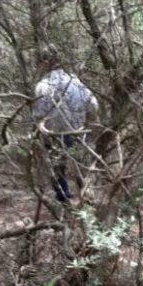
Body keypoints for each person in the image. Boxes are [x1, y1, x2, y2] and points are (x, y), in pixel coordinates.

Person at [32, 48, 99, 203]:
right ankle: (87, 198)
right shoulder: (76, 83)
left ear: (44, 63)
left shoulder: (42, 86)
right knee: (81, 166)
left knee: (58, 167)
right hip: (78, 132)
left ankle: (64, 200)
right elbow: (94, 105)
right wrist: (88, 122)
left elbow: (38, 115)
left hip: (56, 134)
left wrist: (42, 128)